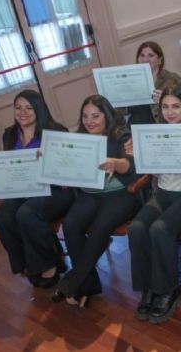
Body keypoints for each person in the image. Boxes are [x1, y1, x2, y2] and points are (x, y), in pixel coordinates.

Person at [127, 85, 181, 324]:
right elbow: (149, 171)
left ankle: (167, 289)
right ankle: (148, 289)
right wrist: (139, 157)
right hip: (164, 193)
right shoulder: (154, 134)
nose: (170, 112)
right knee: (137, 228)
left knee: (160, 228)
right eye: (165, 107)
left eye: (176, 106)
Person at [52, 95, 139, 307]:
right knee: (71, 224)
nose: (89, 121)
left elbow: (131, 167)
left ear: (106, 116)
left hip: (120, 194)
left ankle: (72, 281)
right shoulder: (79, 139)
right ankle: (86, 284)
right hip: (90, 194)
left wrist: (114, 163)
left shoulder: (121, 135)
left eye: (95, 116)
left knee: (100, 227)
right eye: (85, 116)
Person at [0, 90, 75, 288]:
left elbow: (68, 171)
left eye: (29, 107)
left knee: (27, 214)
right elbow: (11, 165)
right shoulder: (9, 134)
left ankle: (49, 264)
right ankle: (27, 264)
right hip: (24, 189)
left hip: (56, 189)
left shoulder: (56, 131)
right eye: (18, 107)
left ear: (39, 109)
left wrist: (48, 163)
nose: (23, 112)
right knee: (2, 216)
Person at [127, 41, 181, 125]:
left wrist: (165, 100)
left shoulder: (172, 78)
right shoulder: (130, 81)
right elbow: (120, 113)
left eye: (151, 55)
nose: (145, 59)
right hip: (136, 130)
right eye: (142, 55)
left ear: (160, 60)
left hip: (163, 129)